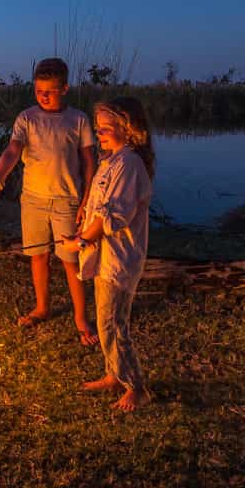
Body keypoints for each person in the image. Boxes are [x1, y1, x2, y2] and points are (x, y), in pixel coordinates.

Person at [0, 58, 97, 344]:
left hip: (67, 201)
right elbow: (12, 150)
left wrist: (86, 200)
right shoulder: (27, 118)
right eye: (38, 90)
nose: (43, 96)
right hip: (32, 199)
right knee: (37, 256)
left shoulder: (78, 120)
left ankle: (81, 319)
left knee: (71, 261)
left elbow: (88, 162)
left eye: (50, 90)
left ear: (65, 88)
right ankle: (42, 307)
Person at [63, 96, 155, 411]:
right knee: (106, 320)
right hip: (105, 257)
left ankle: (136, 387)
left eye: (105, 128)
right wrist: (81, 234)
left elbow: (113, 216)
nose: (98, 133)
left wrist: (81, 241)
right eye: (98, 128)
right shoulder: (111, 160)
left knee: (113, 323)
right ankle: (113, 373)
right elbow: (97, 210)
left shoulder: (129, 164)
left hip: (120, 258)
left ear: (129, 131)